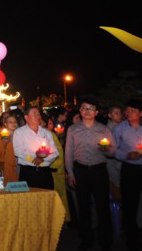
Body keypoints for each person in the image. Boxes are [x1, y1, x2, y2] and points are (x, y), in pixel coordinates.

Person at [64, 97, 115, 251]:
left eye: (91, 109)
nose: (87, 111)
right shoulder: (73, 129)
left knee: (102, 207)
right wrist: (70, 173)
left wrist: (106, 149)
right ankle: (86, 240)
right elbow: (68, 153)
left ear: (96, 112)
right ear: (80, 111)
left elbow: (113, 151)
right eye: (84, 108)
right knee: (83, 207)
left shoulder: (104, 129)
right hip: (80, 171)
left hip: (99, 171)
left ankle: (106, 241)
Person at [113, 98, 142, 251]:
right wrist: (127, 155)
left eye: (133, 110)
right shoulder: (119, 129)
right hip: (130, 169)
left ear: (140, 113)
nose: (128, 112)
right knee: (130, 205)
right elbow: (113, 149)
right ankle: (132, 240)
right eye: (128, 110)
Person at [12, 105, 58, 190]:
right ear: (26, 117)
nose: (38, 116)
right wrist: (36, 156)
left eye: (38, 114)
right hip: (28, 172)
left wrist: (42, 158)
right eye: (34, 114)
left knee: (47, 196)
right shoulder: (19, 132)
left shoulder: (47, 133)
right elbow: (18, 150)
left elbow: (55, 152)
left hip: (45, 172)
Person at [106, 105, 123, 203]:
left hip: (123, 162)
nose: (119, 115)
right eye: (116, 113)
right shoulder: (106, 130)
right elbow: (107, 150)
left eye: (120, 113)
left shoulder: (124, 127)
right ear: (109, 115)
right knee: (116, 187)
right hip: (112, 163)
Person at [0, 111, 18, 184]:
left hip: (17, 163)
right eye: (10, 122)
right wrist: (4, 144)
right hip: (5, 164)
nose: (13, 124)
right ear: (5, 124)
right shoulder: (0, 133)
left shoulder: (19, 133)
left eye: (15, 122)